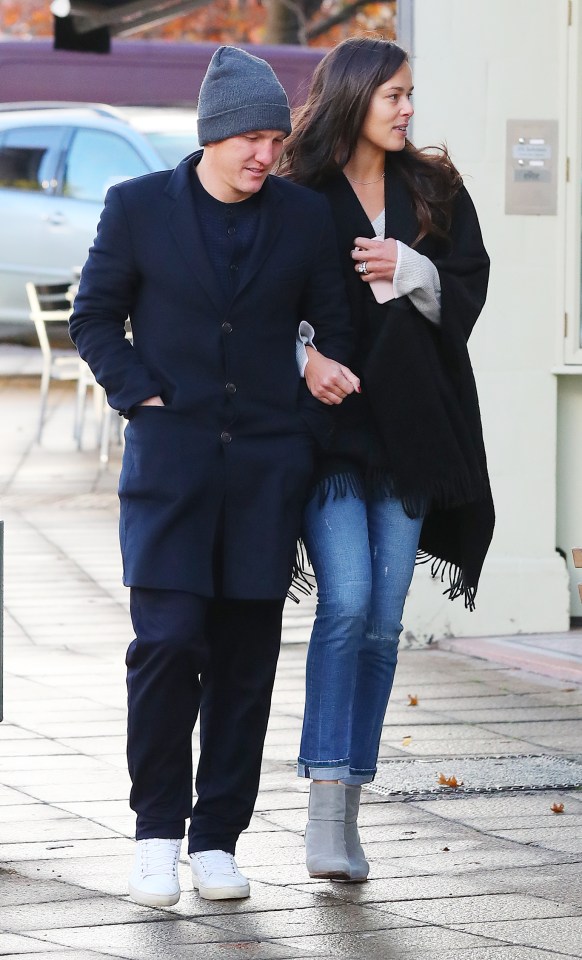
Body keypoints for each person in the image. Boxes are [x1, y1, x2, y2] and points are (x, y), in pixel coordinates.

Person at [69, 45, 355, 907]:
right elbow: (94, 316)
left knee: (245, 659)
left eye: (276, 137)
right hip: (172, 468)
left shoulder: (304, 219)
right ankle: (157, 832)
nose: (266, 154)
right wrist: (140, 400)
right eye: (251, 140)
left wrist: (302, 414)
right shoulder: (138, 208)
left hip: (269, 470)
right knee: (164, 647)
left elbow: (332, 323)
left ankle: (217, 839)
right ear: (212, 136)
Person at [279, 36, 494, 882]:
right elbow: (267, 297)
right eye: (393, 96)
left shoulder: (435, 189)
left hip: (413, 433)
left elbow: (469, 291)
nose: (407, 109)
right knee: (349, 599)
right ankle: (323, 804)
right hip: (332, 433)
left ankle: (349, 804)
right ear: (355, 97)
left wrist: (415, 270)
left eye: (410, 95)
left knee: (383, 616)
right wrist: (304, 358)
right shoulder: (302, 193)